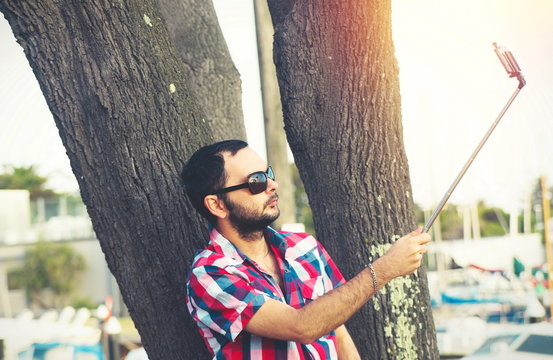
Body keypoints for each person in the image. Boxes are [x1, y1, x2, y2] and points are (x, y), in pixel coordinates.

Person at [181, 140, 431, 359]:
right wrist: (385, 269)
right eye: (256, 182)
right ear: (216, 205)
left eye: (268, 173)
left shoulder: (304, 245)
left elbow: (334, 326)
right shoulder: (209, 275)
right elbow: (301, 327)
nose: (273, 185)